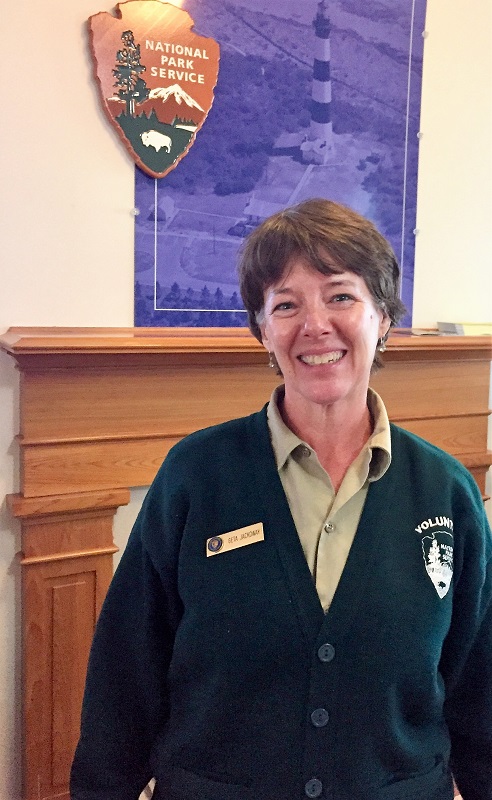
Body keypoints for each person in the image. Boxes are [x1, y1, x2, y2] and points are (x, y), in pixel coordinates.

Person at [71, 199, 492, 800]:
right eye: (286, 304)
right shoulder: (195, 475)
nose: (315, 324)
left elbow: (480, 692)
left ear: (384, 318)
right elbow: (125, 676)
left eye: (341, 296)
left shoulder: (447, 492)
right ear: (263, 332)